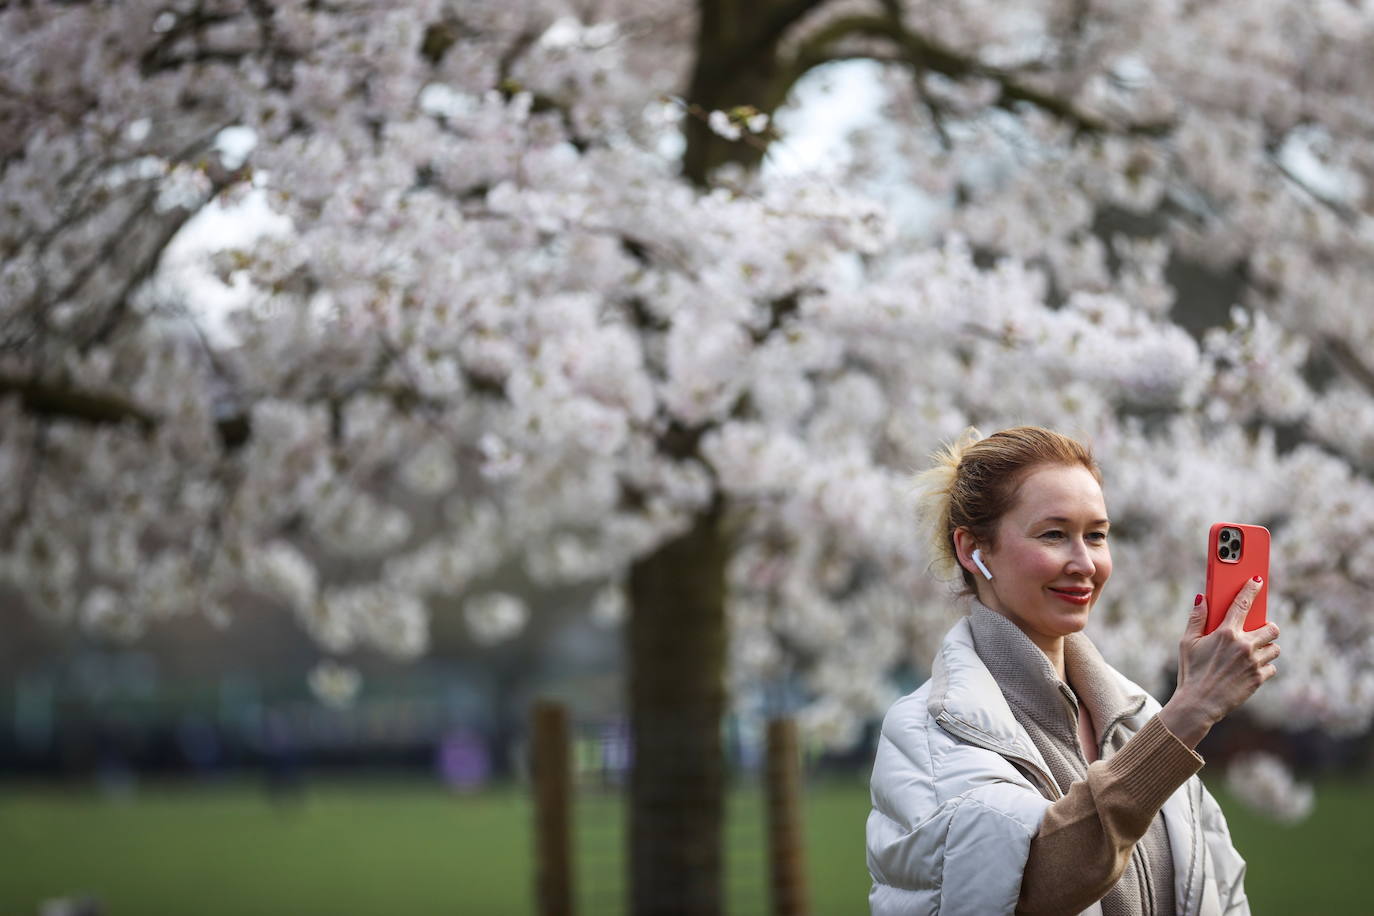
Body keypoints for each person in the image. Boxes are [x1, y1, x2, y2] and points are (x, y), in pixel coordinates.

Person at [867, 426, 1279, 915]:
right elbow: (1032, 886)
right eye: (1054, 534)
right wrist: (1189, 712)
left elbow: (1223, 896)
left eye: (1097, 536)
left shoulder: (1139, 719)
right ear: (972, 550)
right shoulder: (930, 731)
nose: (1085, 563)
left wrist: (1172, 723)